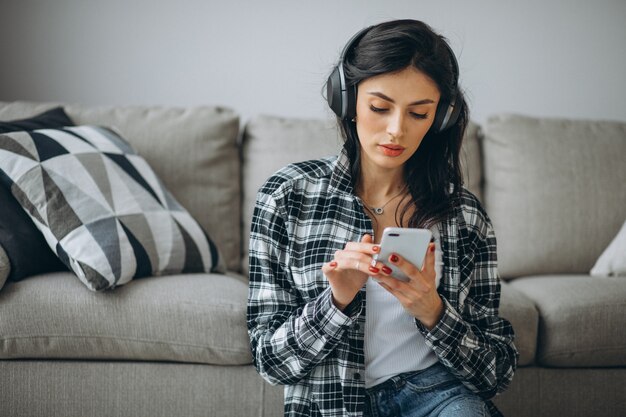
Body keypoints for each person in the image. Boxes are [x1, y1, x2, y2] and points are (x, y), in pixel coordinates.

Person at [247, 19, 518, 417]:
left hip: (437, 394)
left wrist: (431, 308)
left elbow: (498, 372)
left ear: (440, 118)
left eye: (418, 114)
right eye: (379, 107)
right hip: (332, 403)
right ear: (347, 99)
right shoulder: (286, 196)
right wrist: (336, 300)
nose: (396, 130)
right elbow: (271, 362)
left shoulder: (464, 216)